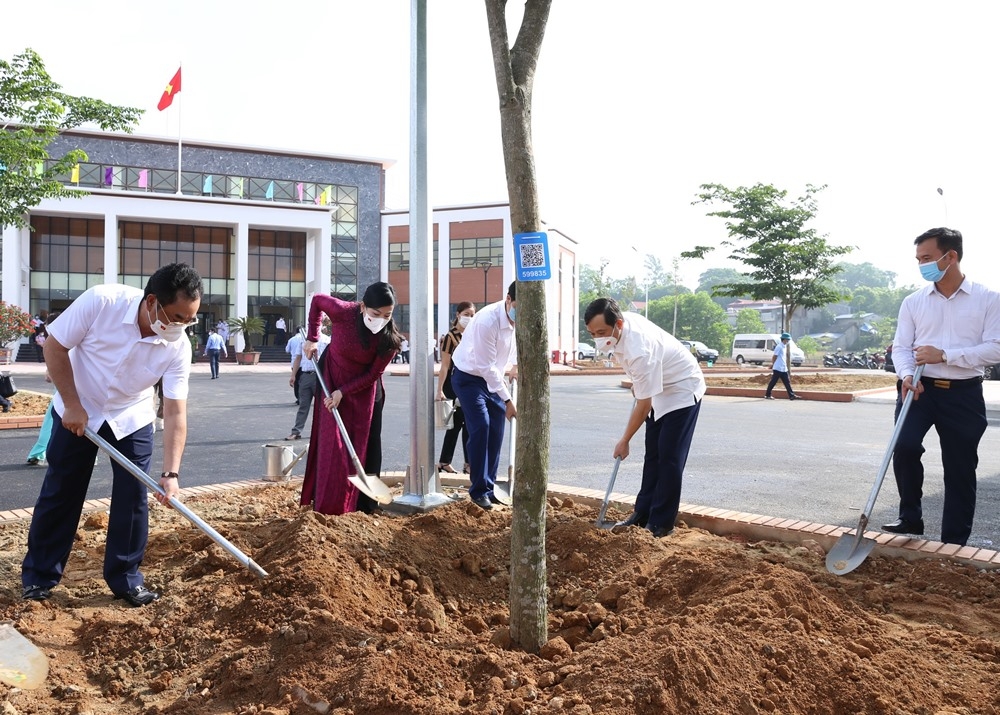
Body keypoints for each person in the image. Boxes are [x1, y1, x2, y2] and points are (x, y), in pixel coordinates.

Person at [20, 262, 202, 607]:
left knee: (133, 497)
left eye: (189, 319)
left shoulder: (178, 346)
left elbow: (176, 410)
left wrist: (171, 473)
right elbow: (54, 348)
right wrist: (72, 405)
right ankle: (39, 577)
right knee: (62, 490)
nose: (182, 326)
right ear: (152, 302)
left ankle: (126, 579)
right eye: (177, 317)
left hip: (131, 415)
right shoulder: (102, 302)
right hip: (78, 405)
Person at [884, 227, 1000, 545]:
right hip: (919, 390)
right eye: (919, 259)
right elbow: (902, 348)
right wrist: (906, 375)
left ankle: (954, 541)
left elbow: (996, 347)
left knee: (960, 466)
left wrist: (946, 355)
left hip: (964, 393)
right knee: (905, 447)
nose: (922, 265)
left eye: (928, 258)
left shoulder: (989, 300)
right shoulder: (913, 302)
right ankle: (910, 519)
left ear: (951, 256)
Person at [584, 297, 706, 538]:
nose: (597, 338)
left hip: (682, 389)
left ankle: (661, 524)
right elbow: (643, 388)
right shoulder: (622, 332)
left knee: (669, 458)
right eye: (592, 333)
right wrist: (641, 383)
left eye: (601, 332)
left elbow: (643, 404)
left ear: (618, 324)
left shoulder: (640, 349)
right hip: (659, 388)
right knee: (653, 455)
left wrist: (625, 440)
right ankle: (642, 514)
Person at [300, 282, 402, 515]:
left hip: (363, 391)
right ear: (362, 306)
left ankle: (365, 505)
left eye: (387, 315)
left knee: (366, 445)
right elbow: (317, 301)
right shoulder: (344, 311)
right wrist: (313, 337)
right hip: (332, 378)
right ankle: (327, 500)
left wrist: (343, 392)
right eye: (376, 314)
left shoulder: (389, 341)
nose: (381, 320)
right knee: (331, 444)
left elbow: (373, 374)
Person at [451, 283, 518, 510]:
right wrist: (508, 400)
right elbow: (486, 367)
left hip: (494, 379)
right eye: (518, 306)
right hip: (469, 378)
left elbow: (516, 347)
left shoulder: (521, 319)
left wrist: (516, 365)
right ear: (508, 299)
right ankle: (478, 490)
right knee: (481, 426)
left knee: (496, 434)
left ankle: (489, 486)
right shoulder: (488, 320)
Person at [436, 301, 476, 474]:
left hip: (469, 384)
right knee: (455, 425)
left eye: (473, 315)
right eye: (467, 314)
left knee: (469, 424)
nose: (469, 318)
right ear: (458, 314)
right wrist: (439, 390)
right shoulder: (450, 337)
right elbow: (445, 365)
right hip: (452, 384)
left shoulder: (474, 334)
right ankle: (445, 462)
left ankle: (468, 463)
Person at [286, 327, 330, 440]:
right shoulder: (303, 340)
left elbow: (330, 360)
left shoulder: (326, 340)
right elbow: (298, 358)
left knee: (323, 407)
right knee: (303, 405)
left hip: (320, 377)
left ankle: (325, 432)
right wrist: (293, 375)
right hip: (305, 376)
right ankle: (296, 432)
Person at [764, 332, 799, 400]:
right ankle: (767, 395)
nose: (788, 341)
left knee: (787, 382)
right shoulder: (779, 347)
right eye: (787, 340)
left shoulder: (784, 347)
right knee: (773, 382)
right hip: (777, 368)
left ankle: (791, 395)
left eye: (788, 340)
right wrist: (773, 364)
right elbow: (774, 356)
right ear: (784, 339)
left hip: (783, 368)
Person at [285, 329, 304, 402]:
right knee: (302, 380)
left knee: (296, 380)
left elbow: (287, 350)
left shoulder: (291, 340)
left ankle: (298, 396)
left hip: (294, 363)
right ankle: (302, 397)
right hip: (303, 363)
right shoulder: (305, 340)